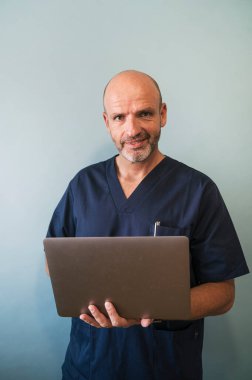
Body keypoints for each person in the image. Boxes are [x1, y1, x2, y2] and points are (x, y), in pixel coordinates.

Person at [46, 70, 249, 380]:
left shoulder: (198, 190)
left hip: (165, 368)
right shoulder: (83, 185)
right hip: (88, 366)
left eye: (144, 114)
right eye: (119, 117)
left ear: (162, 114)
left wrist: (152, 309)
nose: (133, 129)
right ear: (106, 122)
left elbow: (223, 294)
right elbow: (53, 260)